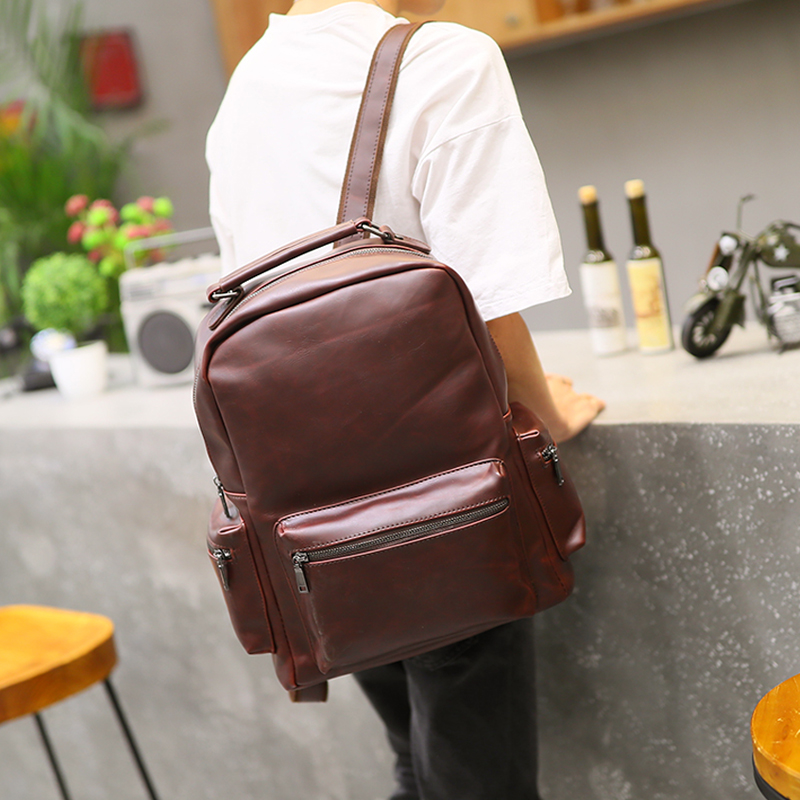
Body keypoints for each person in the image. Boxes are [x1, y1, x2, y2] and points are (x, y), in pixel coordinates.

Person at [206, 1, 605, 798]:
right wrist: (551, 415)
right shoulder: (445, 60)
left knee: (416, 766)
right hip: (446, 498)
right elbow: (490, 300)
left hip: (308, 522)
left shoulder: (247, 87)